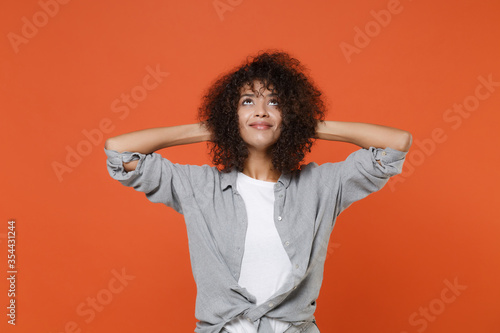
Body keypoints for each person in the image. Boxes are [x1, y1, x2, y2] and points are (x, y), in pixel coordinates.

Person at [104, 50, 412, 333]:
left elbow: (396, 145)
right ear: (230, 115)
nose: (261, 111)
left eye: (275, 102)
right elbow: (118, 151)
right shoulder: (199, 187)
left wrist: (305, 124)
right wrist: (209, 128)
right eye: (248, 101)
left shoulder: (320, 185)